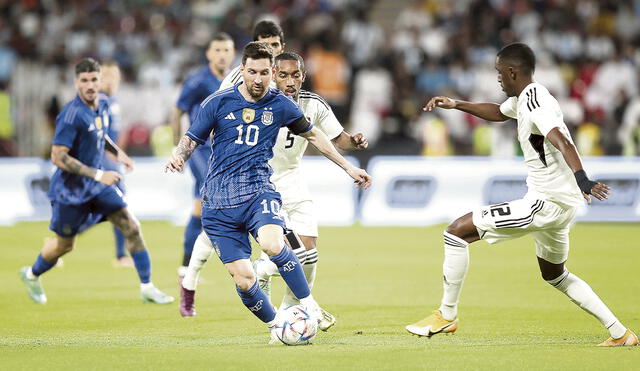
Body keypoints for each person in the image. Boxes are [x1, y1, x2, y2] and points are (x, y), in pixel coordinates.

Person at [405, 43, 638, 347]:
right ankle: (620, 333)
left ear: (512, 71)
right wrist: (455, 103)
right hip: (561, 205)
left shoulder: (535, 102)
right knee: (555, 275)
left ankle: (446, 315)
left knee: (456, 232)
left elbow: (563, 140)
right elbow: (499, 113)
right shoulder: (527, 97)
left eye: (499, 72)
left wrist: (583, 179)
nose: (498, 78)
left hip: (545, 203)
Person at [165, 42, 371, 337]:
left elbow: (316, 135)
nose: (258, 79)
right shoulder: (218, 102)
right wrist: (178, 156)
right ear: (243, 71)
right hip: (220, 200)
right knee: (244, 278)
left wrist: (350, 167)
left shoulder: (281, 104)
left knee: (275, 245)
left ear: (270, 73)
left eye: (263, 73)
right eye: (252, 72)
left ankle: (309, 306)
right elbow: (191, 139)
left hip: (259, 191)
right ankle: (279, 325)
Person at [19, 58, 173, 305]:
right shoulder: (71, 115)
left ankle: (147, 287)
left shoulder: (101, 105)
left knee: (131, 226)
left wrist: (118, 154)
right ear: (76, 83)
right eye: (84, 80)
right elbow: (58, 157)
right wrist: (99, 174)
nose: (90, 85)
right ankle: (31, 274)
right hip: (70, 192)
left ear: (100, 81)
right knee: (64, 245)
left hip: (98, 187)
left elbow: (100, 137)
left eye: (94, 79)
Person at [170, 33, 235, 278]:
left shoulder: (235, 80)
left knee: (200, 205)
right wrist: (179, 147)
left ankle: (186, 266)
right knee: (213, 195)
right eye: (217, 50)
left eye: (226, 50)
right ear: (208, 53)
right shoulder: (197, 81)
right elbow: (177, 110)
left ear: (232, 53)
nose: (221, 54)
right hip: (199, 150)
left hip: (223, 152)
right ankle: (221, 258)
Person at [100, 60, 132, 267]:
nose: (111, 80)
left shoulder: (113, 101)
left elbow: (115, 132)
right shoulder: (101, 101)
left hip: (111, 159)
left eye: (114, 76)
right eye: (106, 76)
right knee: (119, 205)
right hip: (101, 159)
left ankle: (121, 255)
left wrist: (120, 155)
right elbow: (99, 135)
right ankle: (121, 255)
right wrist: (116, 157)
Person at [218, 20, 285, 90]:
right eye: (265, 45)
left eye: (274, 45)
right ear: (255, 46)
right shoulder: (240, 78)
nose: (271, 50)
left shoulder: (291, 76)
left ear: (282, 48)